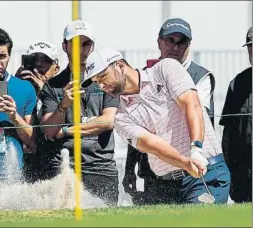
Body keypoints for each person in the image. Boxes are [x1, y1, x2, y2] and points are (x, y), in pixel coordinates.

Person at [81, 48, 230, 204]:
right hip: (164, 185)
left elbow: (191, 105)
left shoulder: (165, 68)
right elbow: (152, 145)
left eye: (103, 76)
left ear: (120, 65)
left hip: (205, 173)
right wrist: (185, 163)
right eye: (96, 82)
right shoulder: (120, 117)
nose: (101, 85)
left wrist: (196, 149)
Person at [123, 18, 216, 205]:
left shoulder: (201, 76)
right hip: (154, 173)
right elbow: (133, 127)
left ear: (189, 45)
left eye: (182, 42)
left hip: (193, 170)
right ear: (159, 42)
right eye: (170, 41)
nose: (175, 47)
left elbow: (193, 116)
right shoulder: (143, 76)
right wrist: (129, 169)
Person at [40, 20, 119, 205]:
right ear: (64, 46)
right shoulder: (52, 85)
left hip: (101, 169)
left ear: (93, 47)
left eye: (86, 44)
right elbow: (49, 131)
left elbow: (107, 122)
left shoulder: (108, 80)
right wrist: (63, 105)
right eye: (75, 44)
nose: (81, 51)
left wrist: (66, 131)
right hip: (64, 168)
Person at [0, 28, 36, 181]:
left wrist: (14, 117)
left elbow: (32, 142)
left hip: (13, 174)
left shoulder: (25, 88)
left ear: (9, 56)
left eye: (2, 56)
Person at [15, 41, 60, 182]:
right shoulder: (18, 88)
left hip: (54, 161)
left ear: (56, 68)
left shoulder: (63, 91)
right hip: (24, 162)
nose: (39, 65)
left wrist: (44, 92)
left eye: (46, 60)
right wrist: (16, 85)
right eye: (34, 59)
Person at [219, 26, 252, 203]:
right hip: (243, 177)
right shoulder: (237, 84)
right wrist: (228, 170)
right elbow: (228, 134)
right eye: (250, 47)